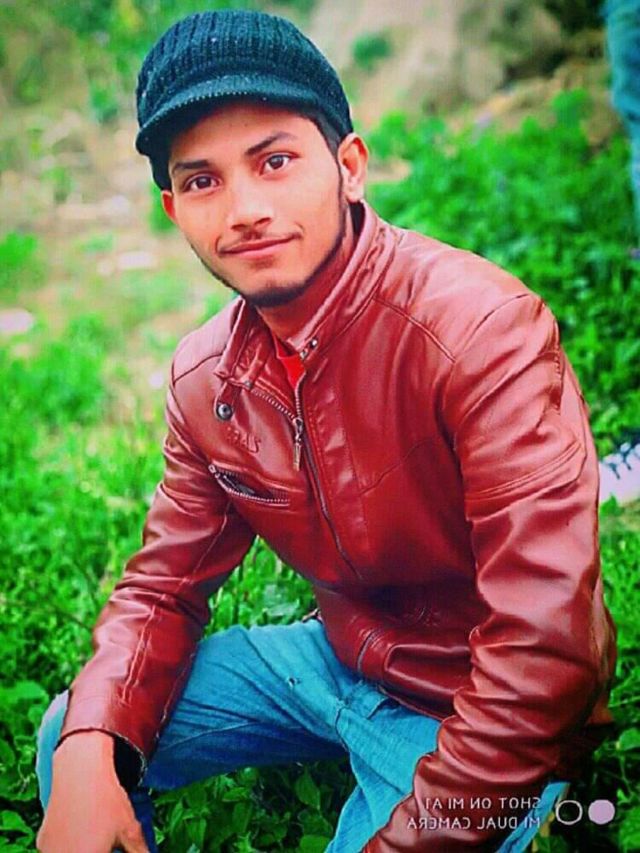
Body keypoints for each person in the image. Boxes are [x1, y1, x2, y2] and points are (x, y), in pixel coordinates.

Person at [36, 9, 617, 852]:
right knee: (78, 737)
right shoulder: (207, 377)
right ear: (172, 208)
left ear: (349, 166)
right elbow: (161, 589)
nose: (245, 210)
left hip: (475, 705)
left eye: (275, 161)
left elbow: (544, 656)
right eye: (202, 181)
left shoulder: (481, 332)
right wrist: (94, 742)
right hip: (337, 660)